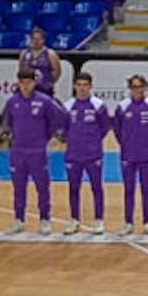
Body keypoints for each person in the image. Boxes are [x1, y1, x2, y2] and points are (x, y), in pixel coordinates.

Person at [2, 68, 68, 234]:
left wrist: (48, 137)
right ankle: (19, 220)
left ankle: (45, 219)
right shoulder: (12, 102)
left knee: (42, 187)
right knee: (18, 188)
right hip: (18, 152)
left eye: (29, 82)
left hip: (38, 151)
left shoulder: (45, 101)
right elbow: (8, 123)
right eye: (22, 83)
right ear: (18, 83)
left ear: (34, 83)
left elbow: (58, 120)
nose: (25, 86)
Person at [113, 76, 148, 235]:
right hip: (128, 155)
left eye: (140, 87)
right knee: (129, 190)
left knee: (146, 190)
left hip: (146, 155)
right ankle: (128, 223)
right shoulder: (122, 107)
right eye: (134, 87)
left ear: (144, 88)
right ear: (130, 88)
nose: (137, 90)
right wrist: (126, 144)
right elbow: (117, 129)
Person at [63, 73, 112, 235]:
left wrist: (93, 142)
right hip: (73, 155)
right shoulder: (68, 106)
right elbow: (63, 128)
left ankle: (98, 220)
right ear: (74, 86)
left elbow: (105, 128)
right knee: (73, 188)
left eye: (85, 85)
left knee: (96, 188)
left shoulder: (99, 106)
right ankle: (74, 220)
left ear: (90, 87)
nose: (82, 88)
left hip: (93, 155)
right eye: (79, 85)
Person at [20, 28, 62, 99]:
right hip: (28, 89)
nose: (36, 41)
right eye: (34, 39)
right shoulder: (24, 53)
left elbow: (57, 72)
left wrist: (48, 82)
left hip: (45, 89)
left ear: (43, 40)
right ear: (31, 40)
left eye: (39, 39)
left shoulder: (50, 54)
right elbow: (21, 70)